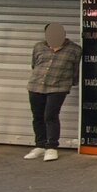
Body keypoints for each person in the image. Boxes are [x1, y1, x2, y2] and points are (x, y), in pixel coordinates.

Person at [24, 23, 82, 162]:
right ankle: (40, 145)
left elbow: (75, 70)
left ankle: (51, 147)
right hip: (36, 85)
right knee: (37, 116)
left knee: (50, 115)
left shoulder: (74, 49)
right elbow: (34, 65)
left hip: (58, 87)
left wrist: (70, 83)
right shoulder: (39, 46)